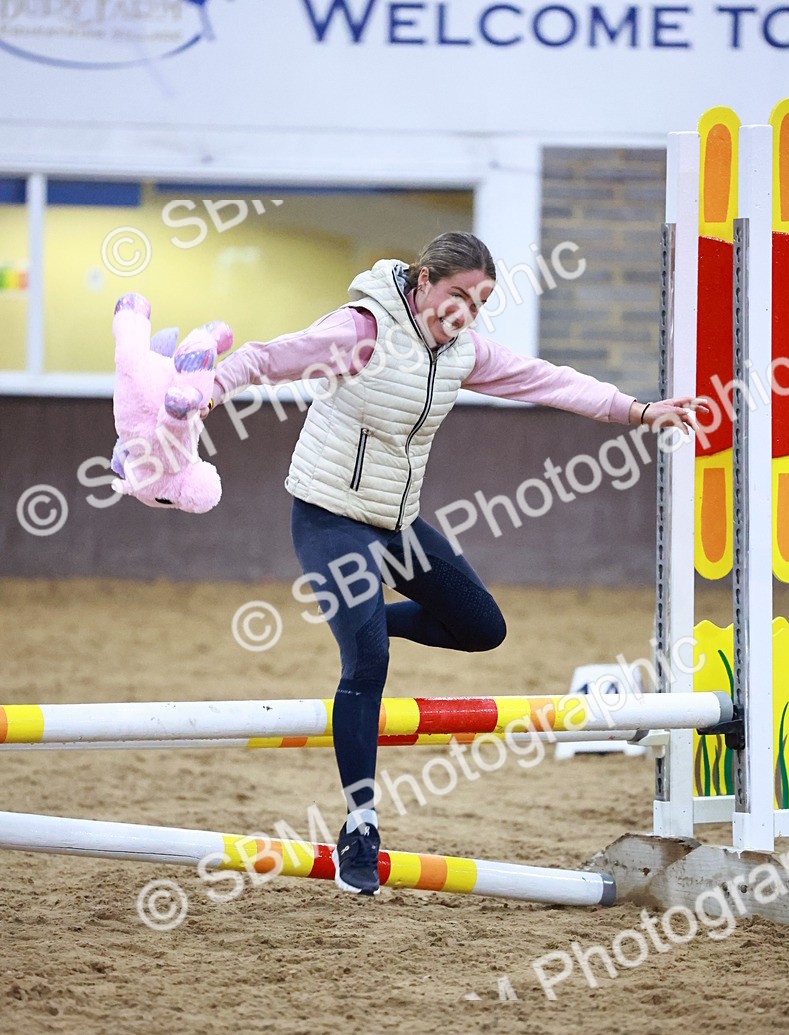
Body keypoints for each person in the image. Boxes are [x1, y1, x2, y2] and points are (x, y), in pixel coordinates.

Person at [210, 231, 702, 896]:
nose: (466, 312)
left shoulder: (462, 352)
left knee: (481, 628)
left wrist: (637, 411)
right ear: (424, 281)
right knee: (368, 663)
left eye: (480, 303)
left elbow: (547, 379)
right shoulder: (362, 331)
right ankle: (360, 823)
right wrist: (210, 387)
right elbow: (268, 359)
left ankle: (363, 618)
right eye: (458, 296)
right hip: (330, 517)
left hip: (397, 525)